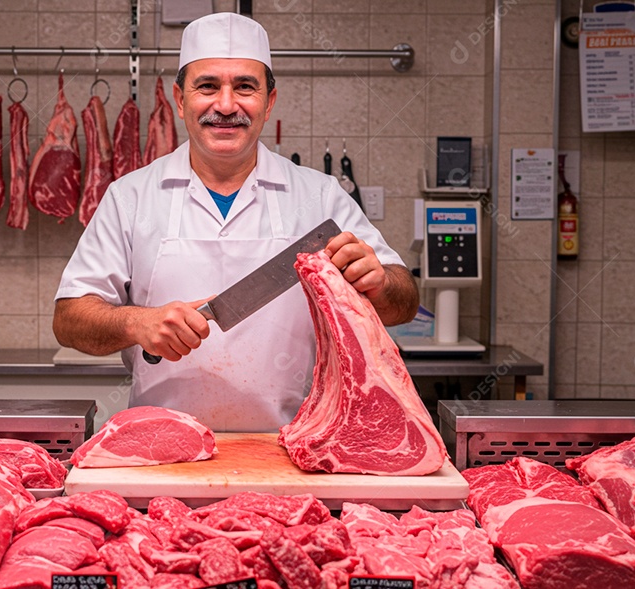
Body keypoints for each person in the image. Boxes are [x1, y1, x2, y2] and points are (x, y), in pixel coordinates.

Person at [54, 12, 418, 432]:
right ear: (179, 98)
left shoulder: (320, 196)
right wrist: (137, 322)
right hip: (161, 447)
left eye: (245, 87)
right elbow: (69, 319)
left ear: (270, 101)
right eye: (207, 86)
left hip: (295, 446)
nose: (226, 106)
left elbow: (403, 301)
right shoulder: (130, 197)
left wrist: (378, 281)